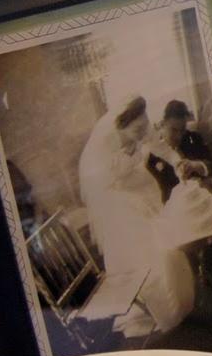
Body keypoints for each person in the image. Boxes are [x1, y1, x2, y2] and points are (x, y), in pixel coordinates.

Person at [77, 95, 195, 340]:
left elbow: (160, 146)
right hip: (120, 205)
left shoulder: (142, 128)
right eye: (137, 129)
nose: (143, 132)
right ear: (120, 126)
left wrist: (178, 161)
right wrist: (128, 158)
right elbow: (103, 183)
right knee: (150, 254)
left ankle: (178, 305)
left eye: (144, 125)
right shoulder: (102, 147)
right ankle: (163, 312)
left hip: (144, 194)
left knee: (167, 245)